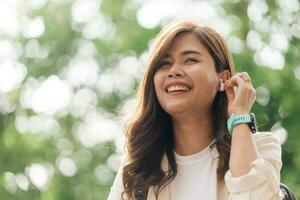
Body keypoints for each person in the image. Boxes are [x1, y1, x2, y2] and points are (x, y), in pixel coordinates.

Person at [107, 20, 283, 200]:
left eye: (190, 60)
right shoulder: (138, 164)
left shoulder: (261, 148)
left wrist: (240, 115)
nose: (174, 71)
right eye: (164, 63)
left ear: (223, 78)